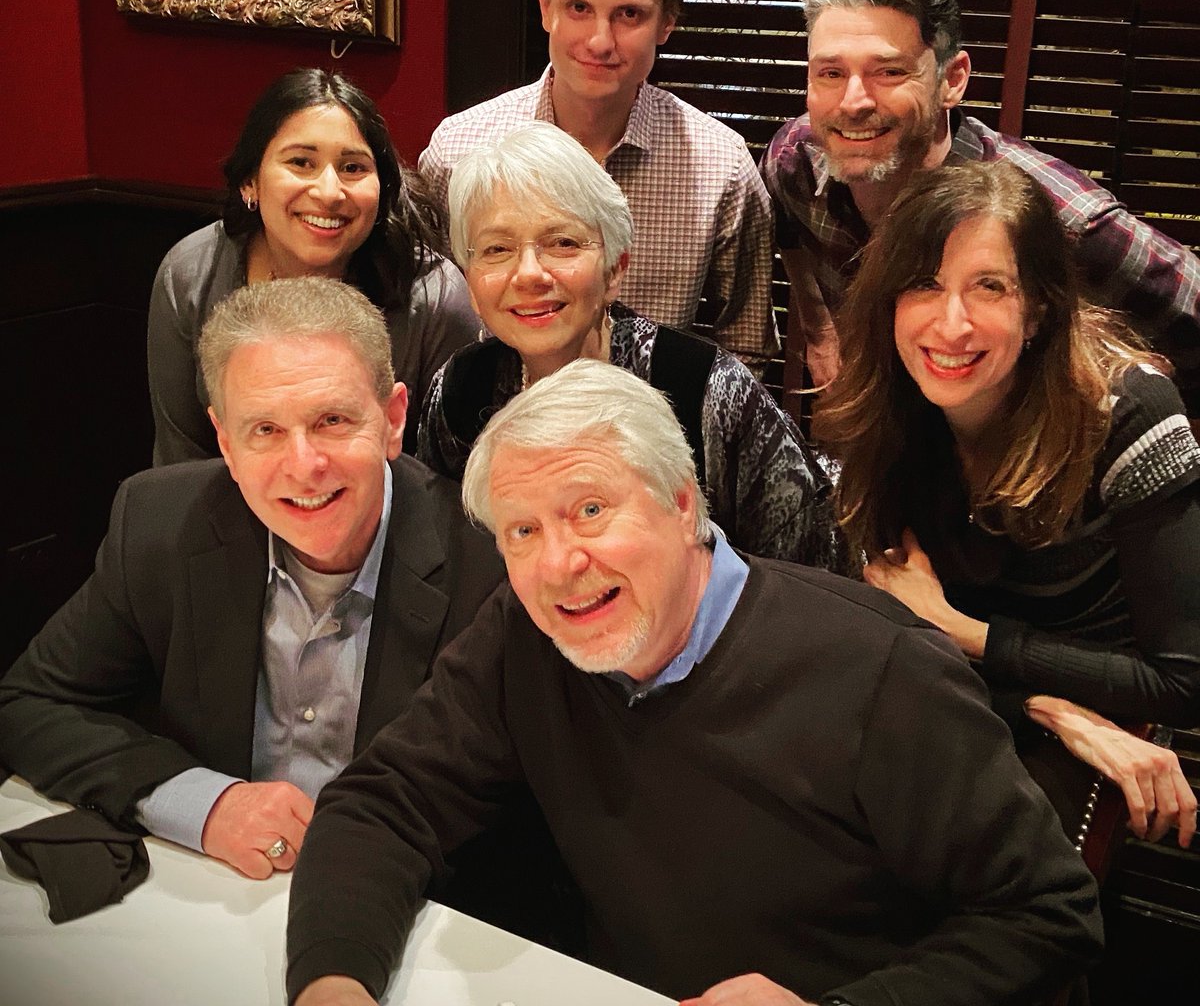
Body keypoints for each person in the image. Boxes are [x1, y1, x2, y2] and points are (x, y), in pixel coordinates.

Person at [286, 360, 1103, 1006]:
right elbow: (386, 803)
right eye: (523, 531)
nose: (559, 565)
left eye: (592, 510)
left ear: (683, 505)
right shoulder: (523, 636)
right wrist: (333, 982)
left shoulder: (882, 671)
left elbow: (1047, 918)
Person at [0, 278, 504, 880]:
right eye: (265, 430)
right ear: (224, 442)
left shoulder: (491, 564)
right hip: (217, 897)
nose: (304, 465)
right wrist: (205, 805)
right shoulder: (158, 523)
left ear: (394, 419)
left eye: (333, 420)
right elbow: (27, 704)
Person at [813, 161, 1200, 847]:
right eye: (924, 284)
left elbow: (1181, 683)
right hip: (992, 704)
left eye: (988, 287)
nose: (951, 324)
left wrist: (965, 633)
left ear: (1039, 308)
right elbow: (877, 641)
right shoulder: (893, 407)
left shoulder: (1129, 412)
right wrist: (1044, 710)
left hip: (1107, 718)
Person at [762, 0, 1200, 411]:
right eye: (830, 72)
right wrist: (820, 330)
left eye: (888, 71)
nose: (853, 103)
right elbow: (790, 234)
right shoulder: (796, 164)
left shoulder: (1058, 218)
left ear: (951, 80)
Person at [417, 121, 839, 569]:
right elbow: (444, 568)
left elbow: (805, 571)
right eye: (496, 249)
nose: (529, 274)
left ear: (615, 270)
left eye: (562, 243)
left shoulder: (705, 391)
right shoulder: (460, 393)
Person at [419, 0, 779, 376]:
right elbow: (432, 323)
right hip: (493, 423)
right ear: (545, 6)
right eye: (579, 8)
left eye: (629, 14)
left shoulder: (721, 166)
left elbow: (746, 347)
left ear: (667, 21)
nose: (599, 41)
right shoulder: (458, 150)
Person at [149, 68, 477, 465]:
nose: (328, 192)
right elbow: (181, 463)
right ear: (250, 181)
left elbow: (445, 483)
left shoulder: (435, 298)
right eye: (301, 162)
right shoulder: (191, 275)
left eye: (353, 168)